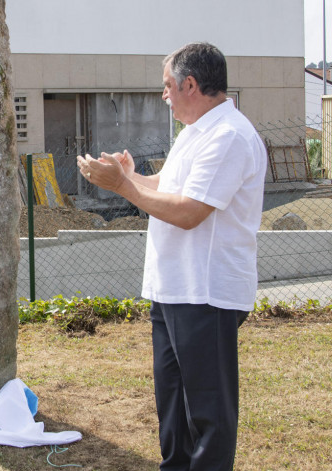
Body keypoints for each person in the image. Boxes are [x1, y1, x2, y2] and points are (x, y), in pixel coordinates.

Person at [77, 42, 266, 470]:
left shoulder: (228, 137)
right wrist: (129, 176)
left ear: (191, 84)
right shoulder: (196, 133)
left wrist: (122, 187)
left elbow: (188, 213)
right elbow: (167, 186)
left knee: (207, 411)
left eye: (167, 86)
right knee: (173, 407)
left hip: (206, 292)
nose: (164, 95)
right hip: (174, 288)